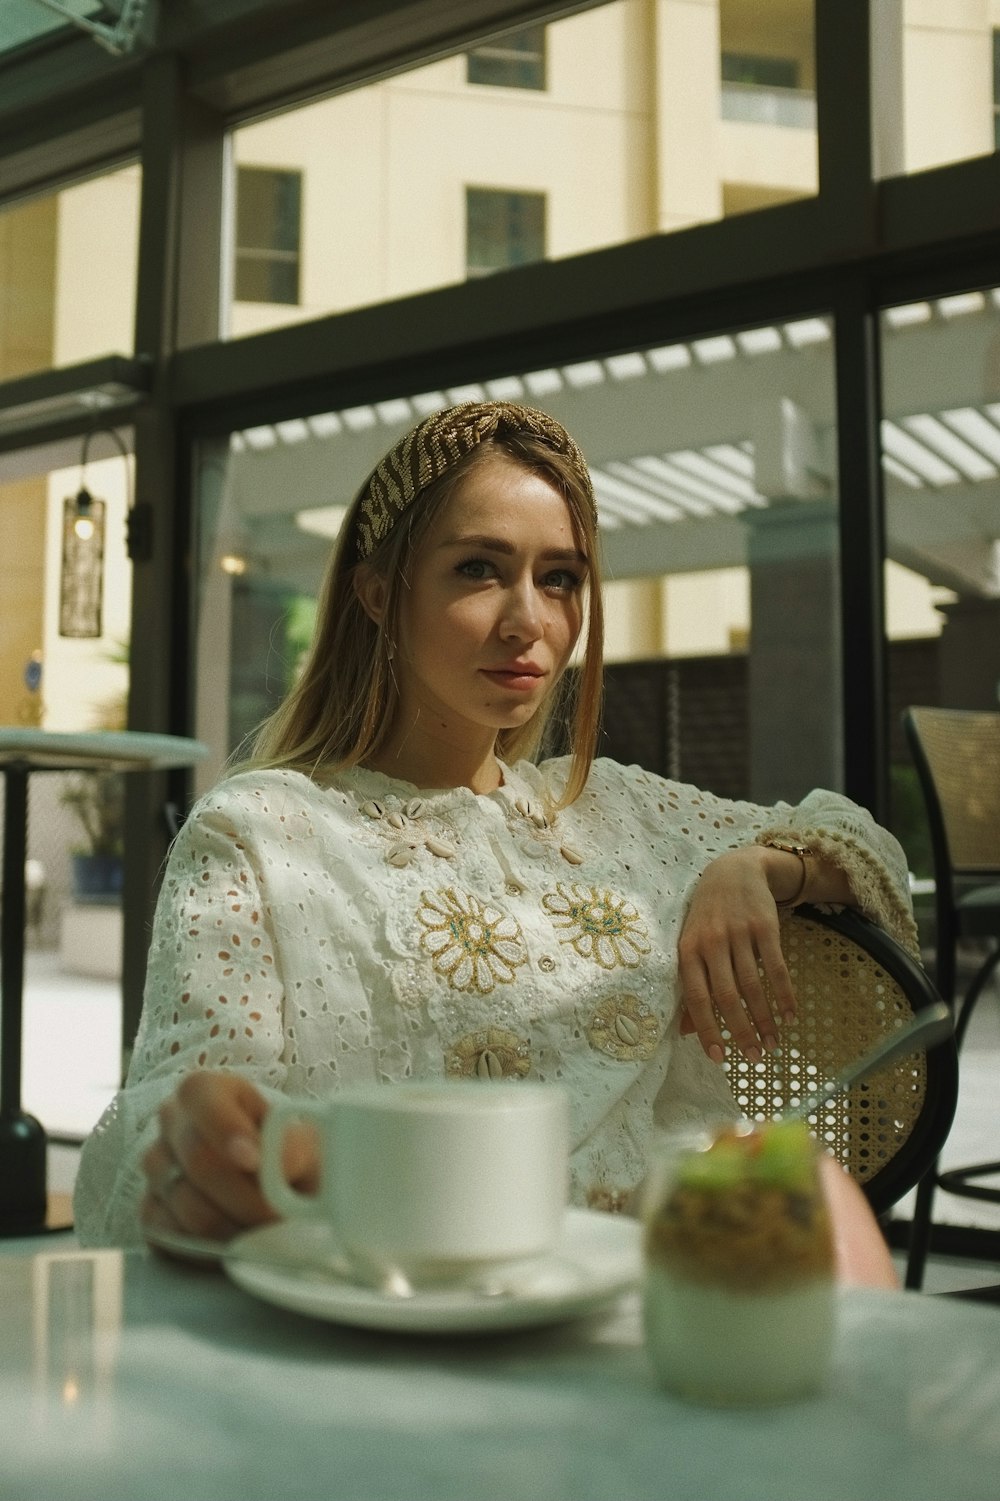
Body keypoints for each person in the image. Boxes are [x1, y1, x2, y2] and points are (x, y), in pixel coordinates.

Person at [73, 400, 915, 1276]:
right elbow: (180, 1108)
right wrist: (201, 1147)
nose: (530, 621)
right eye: (480, 568)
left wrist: (760, 867)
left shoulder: (615, 811)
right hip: (401, 1308)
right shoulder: (258, 835)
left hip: (645, 1311)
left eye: (560, 578)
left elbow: (864, 841)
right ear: (377, 593)